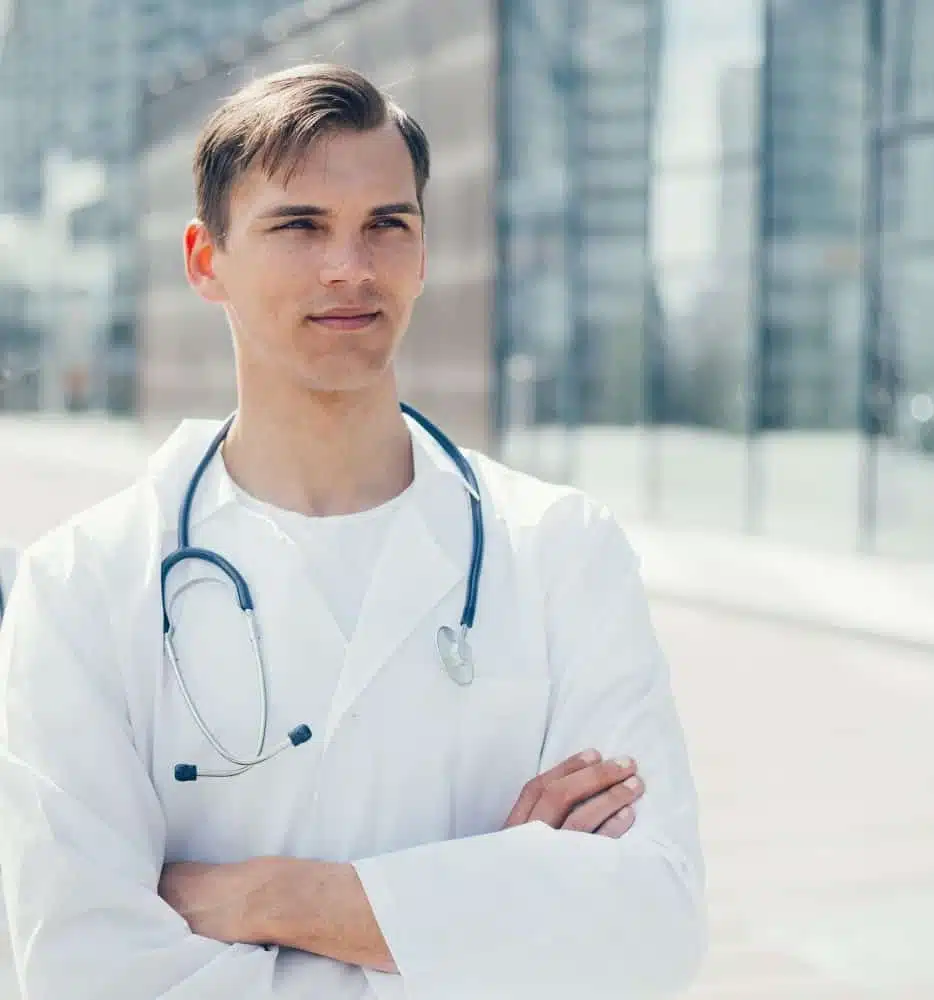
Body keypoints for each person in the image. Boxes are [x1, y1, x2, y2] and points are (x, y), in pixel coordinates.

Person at [0, 64, 705, 999]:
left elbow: (650, 927)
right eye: (300, 226)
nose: (351, 267)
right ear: (205, 261)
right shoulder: (83, 582)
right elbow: (84, 969)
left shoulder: (562, 550)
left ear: (422, 254)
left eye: (388, 224)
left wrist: (274, 898)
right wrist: (494, 915)